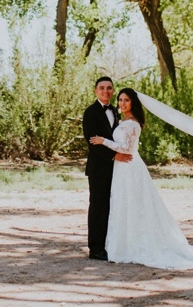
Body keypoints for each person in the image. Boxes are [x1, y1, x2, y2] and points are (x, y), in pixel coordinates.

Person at [89, 88, 193, 269]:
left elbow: (126, 148)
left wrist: (104, 141)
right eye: (120, 100)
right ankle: (123, 245)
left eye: (126, 100)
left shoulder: (133, 124)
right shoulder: (123, 121)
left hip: (130, 168)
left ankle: (135, 245)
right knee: (123, 203)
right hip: (121, 169)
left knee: (135, 204)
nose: (122, 103)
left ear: (133, 103)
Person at [82, 76, 131, 260]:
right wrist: (114, 155)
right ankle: (95, 249)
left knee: (113, 207)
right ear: (96, 91)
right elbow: (92, 142)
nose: (105, 91)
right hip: (98, 168)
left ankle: (110, 245)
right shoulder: (90, 112)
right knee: (98, 207)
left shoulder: (116, 112)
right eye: (101, 88)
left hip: (117, 169)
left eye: (109, 88)